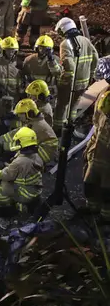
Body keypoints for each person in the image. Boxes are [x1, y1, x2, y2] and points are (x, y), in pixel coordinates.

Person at [54, 17, 100, 133]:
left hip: (70, 83)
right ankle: (70, 126)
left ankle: (58, 129)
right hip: (84, 82)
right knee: (74, 106)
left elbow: (69, 66)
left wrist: (63, 81)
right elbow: (95, 58)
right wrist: (91, 75)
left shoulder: (65, 44)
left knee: (62, 105)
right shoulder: (85, 40)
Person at [0, 127, 44, 213]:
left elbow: (7, 176)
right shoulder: (37, 156)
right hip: (36, 190)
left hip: (26, 194)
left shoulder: (19, 162)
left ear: (22, 142)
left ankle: (8, 209)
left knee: (0, 184)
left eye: (18, 141)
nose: (16, 142)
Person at [84, 59, 110, 222]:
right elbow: (97, 121)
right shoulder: (105, 93)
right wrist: (91, 144)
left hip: (108, 152)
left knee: (107, 188)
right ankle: (91, 208)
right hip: (98, 146)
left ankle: (106, 217)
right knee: (90, 181)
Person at [0, 98, 58, 165]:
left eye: (21, 114)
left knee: (22, 151)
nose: (19, 116)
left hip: (46, 153)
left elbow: (21, 143)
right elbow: (18, 131)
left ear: (29, 113)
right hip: (42, 148)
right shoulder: (34, 121)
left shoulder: (36, 126)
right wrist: (1, 140)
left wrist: (4, 146)